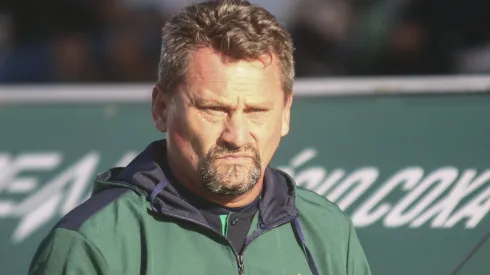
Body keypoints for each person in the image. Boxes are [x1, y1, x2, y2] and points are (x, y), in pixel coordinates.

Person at [28, 1, 372, 274]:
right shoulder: (91, 244)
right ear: (162, 109)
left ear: (285, 115)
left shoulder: (328, 230)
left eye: (256, 111)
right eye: (213, 109)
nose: (236, 136)